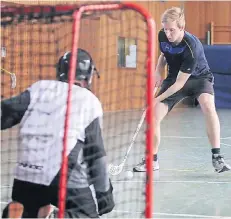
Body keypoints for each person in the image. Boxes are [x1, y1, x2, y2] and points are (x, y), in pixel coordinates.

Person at [1, 48, 115, 218]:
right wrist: (104, 194)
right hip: (63, 179)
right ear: (88, 76)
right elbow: (95, 155)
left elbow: (5, 113)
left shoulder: (39, 89)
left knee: (33, 206)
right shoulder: (89, 101)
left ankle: (27, 210)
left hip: (26, 177)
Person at [133, 7, 230, 173]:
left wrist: (154, 99)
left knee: (208, 106)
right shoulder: (163, 36)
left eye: (172, 30)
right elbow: (164, 54)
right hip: (173, 77)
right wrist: (158, 71)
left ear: (182, 28)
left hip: (199, 79)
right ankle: (152, 160)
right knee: (154, 116)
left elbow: (180, 84)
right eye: (165, 29)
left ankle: (217, 157)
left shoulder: (192, 47)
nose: (168, 34)